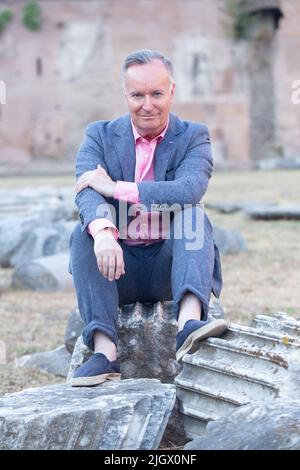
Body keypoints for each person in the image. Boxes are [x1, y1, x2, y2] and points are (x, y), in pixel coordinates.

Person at [69, 49, 227, 387]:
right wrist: (105, 234)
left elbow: (189, 189)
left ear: (171, 91)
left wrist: (119, 187)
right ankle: (104, 353)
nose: (147, 104)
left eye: (156, 93)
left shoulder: (193, 136)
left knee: (193, 218)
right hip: (115, 270)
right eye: (137, 95)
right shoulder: (99, 134)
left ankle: (188, 326)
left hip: (170, 269)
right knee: (84, 233)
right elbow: (86, 189)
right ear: (125, 94)